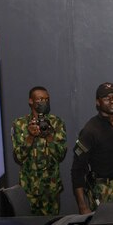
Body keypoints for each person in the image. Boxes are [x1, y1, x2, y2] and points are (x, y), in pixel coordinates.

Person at [71, 82, 113, 214]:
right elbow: (77, 170)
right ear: (98, 102)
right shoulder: (90, 131)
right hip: (102, 188)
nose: (112, 101)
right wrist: (82, 206)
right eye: (106, 98)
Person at [10, 86, 67, 215]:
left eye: (47, 99)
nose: (44, 102)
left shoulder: (56, 123)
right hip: (29, 189)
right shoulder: (19, 124)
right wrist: (30, 137)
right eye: (40, 99)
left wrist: (49, 136)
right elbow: (18, 157)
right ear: (31, 101)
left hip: (51, 189)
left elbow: (61, 154)